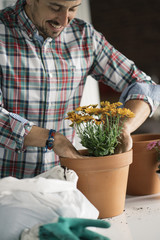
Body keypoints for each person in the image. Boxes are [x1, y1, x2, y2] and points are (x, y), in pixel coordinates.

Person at [0, 0, 159, 179]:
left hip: (64, 187)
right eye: (55, 7)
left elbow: (144, 85)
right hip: (5, 189)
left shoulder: (84, 36)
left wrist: (123, 126)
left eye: (73, 9)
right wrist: (52, 139)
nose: (64, 20)